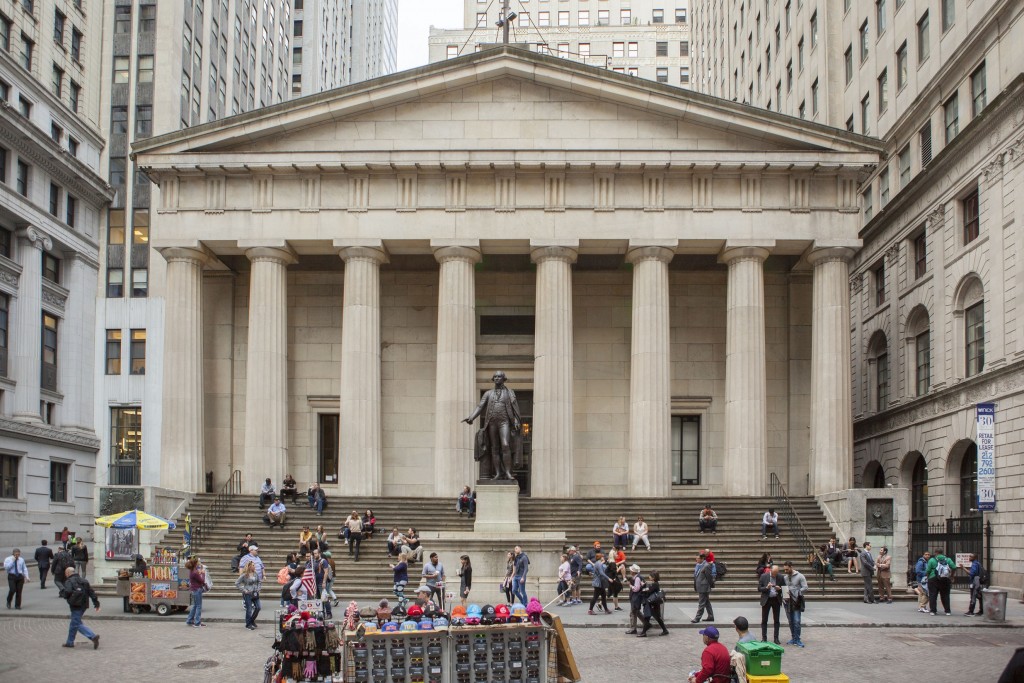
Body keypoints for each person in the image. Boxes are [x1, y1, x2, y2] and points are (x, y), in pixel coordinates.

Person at [462, 370, 522, 481]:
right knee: (494, 448)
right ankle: (498, 473)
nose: (497, 378)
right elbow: (480, 406)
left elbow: (515, 408)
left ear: (504, 379)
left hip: (505, 422)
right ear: (493, 379)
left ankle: (508, 472)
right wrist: (471, 417)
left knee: (505, 445)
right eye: (495, 377)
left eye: (499, 377)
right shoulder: (488, 393)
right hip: (492, 422)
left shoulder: (510, 393)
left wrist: (517, 421)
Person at [60, 566, 100, 649]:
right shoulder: (84, 580)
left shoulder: (69, 581)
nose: (65, 575)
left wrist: (62, 592)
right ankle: (69, 642)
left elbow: (67, 591)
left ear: (67, 573)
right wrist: (96, 604)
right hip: (84, 605)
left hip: (75, 605)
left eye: (65, 574)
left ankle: (93, 636)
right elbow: (91, 592)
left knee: (76, 624)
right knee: (74, 622)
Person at [782, 560, 807, 647]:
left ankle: (798, 639)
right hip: (787, 602)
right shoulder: (785, 577)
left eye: (787, 569)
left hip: (796, 602)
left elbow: (805, 587)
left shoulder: (800, 576)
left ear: (791, 567)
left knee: (797, 621)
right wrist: (784, 596)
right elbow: (784, 588)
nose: (785, 571)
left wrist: (796, 591)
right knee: (790, 621)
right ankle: (793, 638)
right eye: (784, 570)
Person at [926, 548, 957, 615]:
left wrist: (928, 577)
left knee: (933, 595)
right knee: (945, 595)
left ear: (936, 552)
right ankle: (947, 611)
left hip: (933, 578)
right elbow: (954, 567)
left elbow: (928, 570)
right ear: (942, 552)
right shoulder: (948, 559)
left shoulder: (932, 560)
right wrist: (951, 576)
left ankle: (933, 611)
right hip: (945, 579)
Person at [638, 570, 668, 636]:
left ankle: (643, 633)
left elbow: (648, 591)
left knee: (647, 617)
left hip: (652, 604)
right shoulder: (655, 583)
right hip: (653, 604)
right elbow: (648, 589)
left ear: (653, 577)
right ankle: (665, 630)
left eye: (650, 576)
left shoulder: (655, 584)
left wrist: (643, 586)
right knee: (657, 618)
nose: (649, 577)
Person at [758, 565, 783, 644]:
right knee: (764, 620)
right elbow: (759, 588)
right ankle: (764, 638)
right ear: (770, 571)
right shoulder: (764, 576)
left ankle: (776, 638)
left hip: (776, 599)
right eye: (773, 573)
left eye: (776, 573)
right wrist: (766, 588)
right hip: (767, 599)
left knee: (776, 620)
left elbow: (785, 588)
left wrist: (780, 589)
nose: (775, 575)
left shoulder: (780, 577)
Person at [234, 560, 262, 630]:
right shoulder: (244, 575)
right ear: (249, 566)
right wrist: (244, 590)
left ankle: (251, 620)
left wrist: (258, 588)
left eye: (254, 565)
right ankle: (248, 624)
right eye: (253, 565)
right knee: (249, 609)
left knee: (258, 607)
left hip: (255, 593)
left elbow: (259, 581)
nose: (254, 566)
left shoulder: (255, 573)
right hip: (248, 594)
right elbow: (237, 583)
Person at [691, 551, 715, 623]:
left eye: (697, 558)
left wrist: (710, 586)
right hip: (700, 586)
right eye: (696, 558)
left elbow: (709, 577)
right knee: (707, 602)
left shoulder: (706, 565)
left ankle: (697, 618)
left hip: (704, 587)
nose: (696, 560)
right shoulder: (698, 565)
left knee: (701, 603)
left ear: (702, 558)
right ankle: (711, 616)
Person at [185, 557, 207, 627]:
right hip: (197, 589)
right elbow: (202, 580)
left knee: (195, 605)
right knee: (198, 606)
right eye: (198, 562)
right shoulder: (194, 572)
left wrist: (199, 572)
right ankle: (197, 622)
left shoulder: (193, 571)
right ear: (195, 563)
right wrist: (203, 573)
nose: (199, 563)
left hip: (194, 589)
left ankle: (189, 620)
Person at [625, 564, 644, 634]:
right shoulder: (637, 577)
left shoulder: (637, 578)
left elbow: (636, 589)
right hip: (636, 598)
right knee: (637, 612)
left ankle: (633, 628)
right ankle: (646, 623)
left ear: (633, 572)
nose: (630, 571)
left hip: (636, 598)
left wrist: (630, 586)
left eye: (631, 570)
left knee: (633, 612)